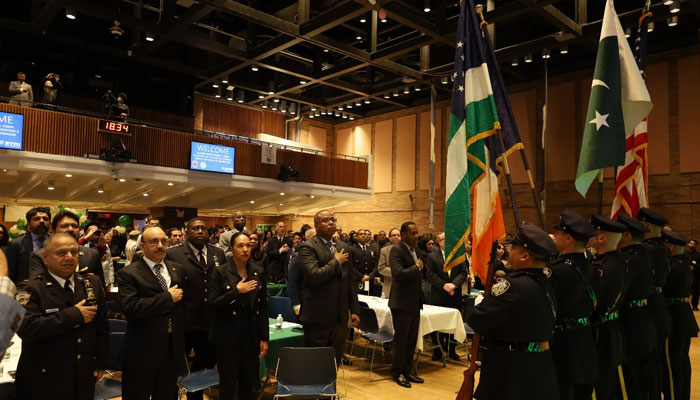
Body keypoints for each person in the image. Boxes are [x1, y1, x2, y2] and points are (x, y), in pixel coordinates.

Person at [465, 222, 558, 400]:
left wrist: (480, 304)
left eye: (512, 248)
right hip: (540, 365)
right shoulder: (546, 282)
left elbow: (477, 319)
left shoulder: (513, 286)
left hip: (511, 371)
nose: (508, 252)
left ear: (524, 256)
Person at [14, 233, 109, 399]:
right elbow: (26, 328)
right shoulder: (29, 289)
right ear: (45, 257)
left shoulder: (91, 283)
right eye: (61, 253)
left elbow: (102, 327)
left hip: (82, 374)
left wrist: (100, 362)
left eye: (74, 252)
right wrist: (73, 315)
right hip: (45, 378)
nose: (69, 257)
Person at [117, 225, 186, 399]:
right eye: (154, 241)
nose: (160, 245)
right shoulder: (129, 273)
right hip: (142, 352)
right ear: (142, 246)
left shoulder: (176, 269)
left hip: (171, 350)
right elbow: (130, 308)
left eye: (164, 241)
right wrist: (167, 298)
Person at [165, 218, 224, 400]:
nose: (200, 231)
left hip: (209, 322)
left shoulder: (218, 253)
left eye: (203, 229)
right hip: (184, 321)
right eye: (195, 228)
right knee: (175, 369)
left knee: (203, 369)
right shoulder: (173, 254)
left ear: (208, 233)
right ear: (187, 232)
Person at [208, 232, 269, 399]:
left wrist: (264, 337)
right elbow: (213, 304)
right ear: (231, 249)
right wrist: (236, 292)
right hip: (227, 336)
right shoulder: (220, 272)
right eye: (240, 246)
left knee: (247, 382)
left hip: (250, 336)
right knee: (228, 383)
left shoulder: (258, 271)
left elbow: (263, 307)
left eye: (248, 245)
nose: (245, 249)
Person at [297, 210, 360, 365]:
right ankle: (317, 390)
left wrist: (355, 309)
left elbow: (349, 281)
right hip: (318, 317)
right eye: (326, 220)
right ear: (316, 225)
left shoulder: (343, 246)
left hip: (340, 317)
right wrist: (336, 262)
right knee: (317, 363)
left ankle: (330, 389)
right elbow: (314, 276)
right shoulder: (308, 247)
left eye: (333, 219)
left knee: (334, 361)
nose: (331, 222)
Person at [549, 209, 598, 400]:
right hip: (585, 337)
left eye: (559, 234)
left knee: (562, 391)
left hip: (562, 342)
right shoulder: (595, 269)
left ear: (568, 238)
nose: (556, 238)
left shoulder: (556, 270)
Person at [616, 213, 657, 400]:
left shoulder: (627, 260)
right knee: (643, 374)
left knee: (630, 377)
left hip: (629, 321)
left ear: (625, 235)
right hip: (644, 316)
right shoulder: (647, 255)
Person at [587, 214, 628, 400]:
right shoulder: (619, 262)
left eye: (591, 232)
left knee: (600, 389)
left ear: (601, 238)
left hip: (600, 334)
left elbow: (592, 305)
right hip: (613, 328)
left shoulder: (602, 268)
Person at [660, 229, 699, 400]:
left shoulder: (672, 266)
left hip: (674, 318)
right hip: (684, 315)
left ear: (669, 246)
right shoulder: (684, 264)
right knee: (682, 363)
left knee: (672, 365)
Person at [389, 221, 425, 388]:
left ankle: (407, 371)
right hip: (401, 302)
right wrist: (416, 268)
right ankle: (397, 373)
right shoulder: (396, 249)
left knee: (411, 340)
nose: (415, 236)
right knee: (401, 340)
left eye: (416, 233)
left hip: (414, 302)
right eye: (412, 233)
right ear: (403, 235)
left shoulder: (415, 250)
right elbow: (398, 273)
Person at [28, 210, 104, 285]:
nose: (70, 229)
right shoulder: (39, 255)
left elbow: (101, 287)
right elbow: (37, 286)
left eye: (74, 226)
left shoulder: (91, 254)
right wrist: (77, 277)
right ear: (53, 231)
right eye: (64, 226)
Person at [425, 232, 467, 361]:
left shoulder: (459, 256)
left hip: (454, 295)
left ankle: (451, 349)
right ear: (439, 241)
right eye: (445, 239)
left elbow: (463, 272)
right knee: (436, 324)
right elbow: (430, 274)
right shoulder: (432, 256)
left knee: (453, 323)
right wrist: (444, 286)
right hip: (438, 294)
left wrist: (453, 285)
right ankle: (437, 350)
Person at [6, 206, 51, 283]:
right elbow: (10, 273)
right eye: (37, 219)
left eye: (45, 219)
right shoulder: (15, 244)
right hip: (25, 289)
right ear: (28, 224)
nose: (42, 221)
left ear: (50, 223)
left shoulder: (57, 242)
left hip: (52, 289)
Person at [289, 228, 316, 315]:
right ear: (307, 239)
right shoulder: (298, 256)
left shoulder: (321, 255)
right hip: (303, 301)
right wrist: (296, 305)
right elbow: (292, 282)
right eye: (314, 237)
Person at [350, 228, 379, 296]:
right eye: (361, 234)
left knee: (370, 299)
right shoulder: (352, 249)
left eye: (365, 234)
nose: (363, 235)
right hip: (358, 280)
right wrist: (361, 276)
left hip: (370, 280)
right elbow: (350, 266)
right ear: (357, 237)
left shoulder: (372, 249)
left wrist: (370, 276)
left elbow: (376, 265)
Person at [377, 228, 400, 299]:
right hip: (389, 285)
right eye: (394, 235)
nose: (396, 237)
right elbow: (381, 268)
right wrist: (397, 271)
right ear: (390, 238)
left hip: (404, 286)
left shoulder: (408, 250)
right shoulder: (384, 251)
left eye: (398, 235)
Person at [686, 239, 700, 311]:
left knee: (695, 291)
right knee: (685, 290)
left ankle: (694, 305)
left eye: (694, 244)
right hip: (685, 276)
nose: (692, 244)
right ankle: (685, 305)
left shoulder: (698, 255)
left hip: (695, 276)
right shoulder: (684, 254)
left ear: (696, 245)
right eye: (691, 243)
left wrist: (694, 267)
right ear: (688, 244)